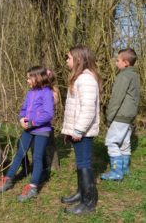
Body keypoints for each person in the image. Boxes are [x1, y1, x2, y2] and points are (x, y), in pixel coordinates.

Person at [0, 66, 55, 202]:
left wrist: (33, 122)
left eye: (29, 78)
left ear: (37, 78)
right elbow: (23, 109)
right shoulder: (30, 93)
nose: (27, 80)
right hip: (28, 129)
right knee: (19, 153)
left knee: (37, 157)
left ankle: (33, 187)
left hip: (41, 130)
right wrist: (21, 118)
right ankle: (8, 179)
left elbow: (48, 114)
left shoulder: (46, 93)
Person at [61, 45, 101, 215]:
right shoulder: (80, 78)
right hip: (77, 131)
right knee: (80, 163)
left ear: (78, 59)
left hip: (83, 132)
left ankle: (88, 203)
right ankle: (81, 193)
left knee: (84, 164)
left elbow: (88, 109)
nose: (66, 61)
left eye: (68, 57)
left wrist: (78, 130)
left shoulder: (86, 80)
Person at [101, 48, 140, 181]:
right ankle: (124, 169)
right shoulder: (135, 75)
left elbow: (116, 98)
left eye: (118, 60)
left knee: (111, 141)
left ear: (126, 63)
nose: (116, 63)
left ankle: (116, 172)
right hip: (129, 115)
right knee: (124, 142)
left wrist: (109, 116)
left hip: (121, 115)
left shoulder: (123, 76)